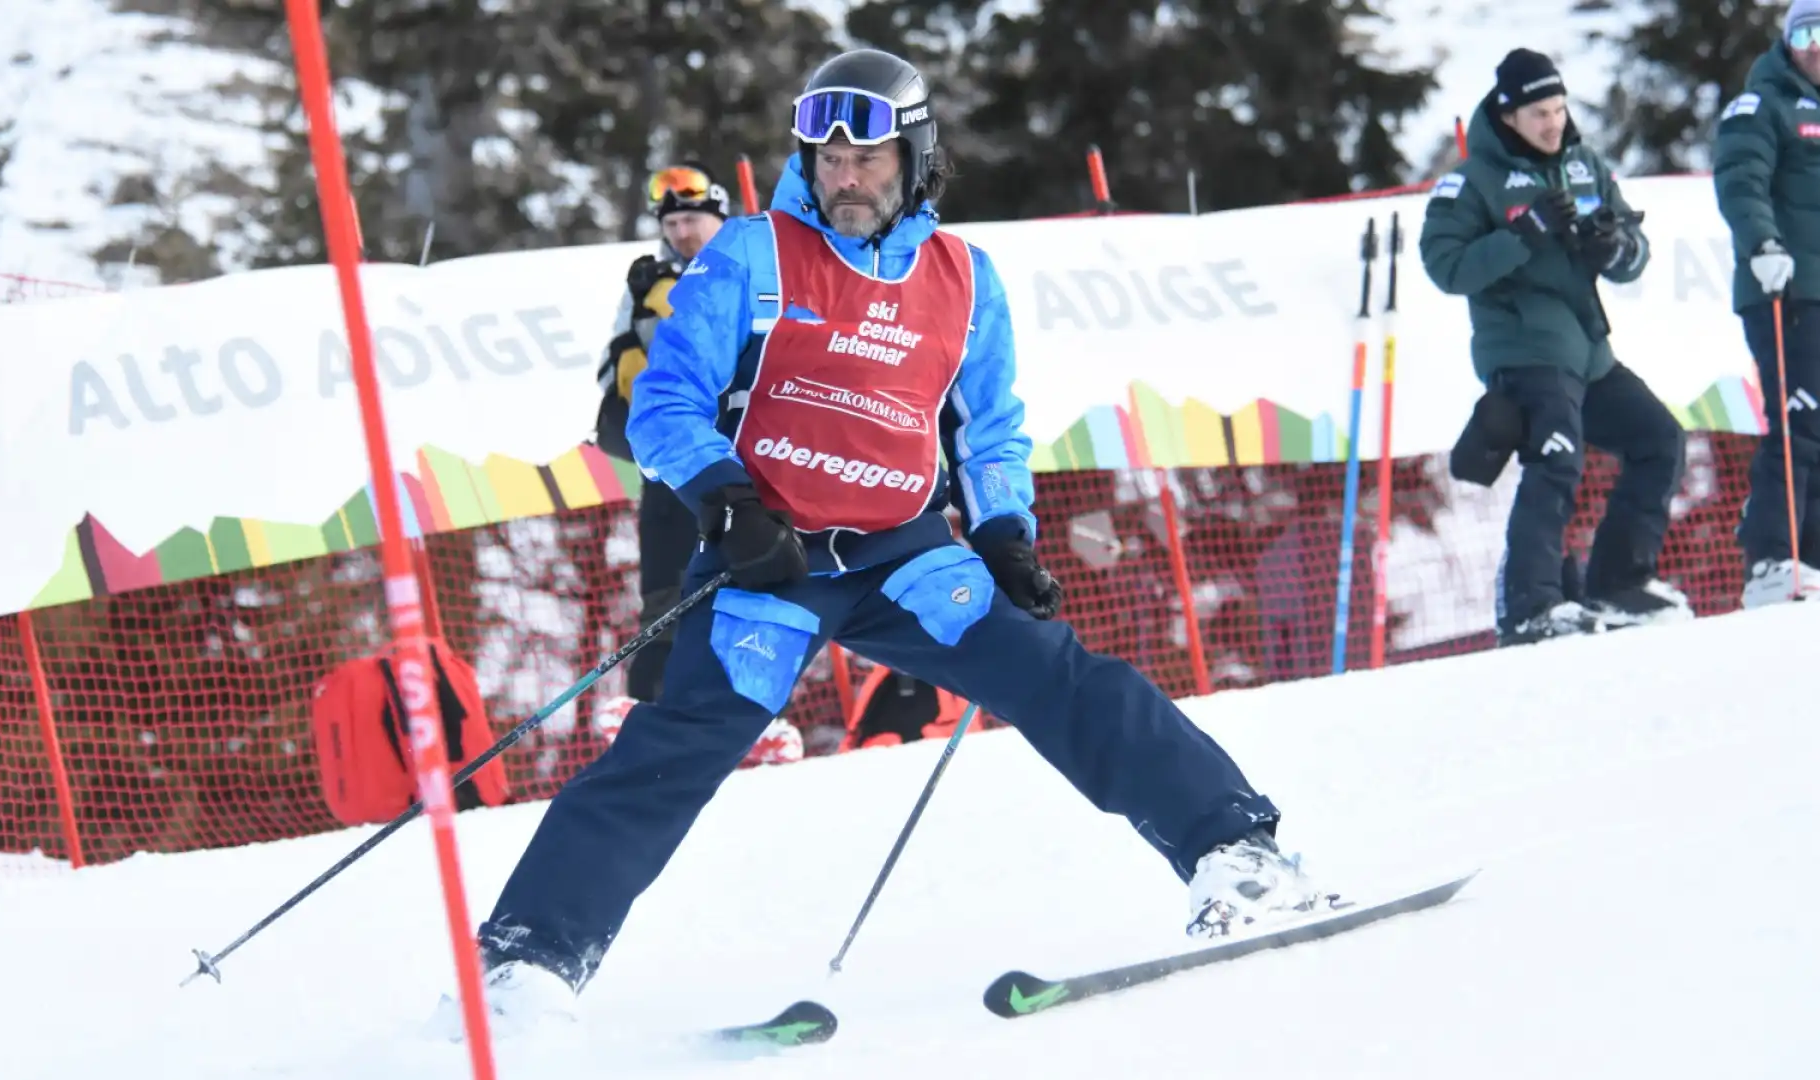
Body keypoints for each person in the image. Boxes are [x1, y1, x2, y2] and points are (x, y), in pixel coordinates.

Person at [445, 48, 1319, 1035]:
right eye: (826, 157)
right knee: (671, 750)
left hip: (905, 556)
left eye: (866, 157)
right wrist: (727, 500)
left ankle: (1237, 855)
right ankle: (521, 967)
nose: (844, 176)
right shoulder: (752, 254)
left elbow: (989, 429)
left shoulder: (961, 277)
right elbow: (664, 405)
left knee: (1059, 678)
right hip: (770, 562)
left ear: (915, 156)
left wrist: (1003, 532)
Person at [1420, 48, 1692, 646]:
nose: (1553, 123)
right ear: (1508, 115)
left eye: (1560, 109)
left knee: (1658, 440)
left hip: (1588, 351)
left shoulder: (1583, 164)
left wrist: (1613, 248)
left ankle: (1619, 583)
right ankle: (1531, 607)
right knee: (1558, 461)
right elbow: (1445, 266)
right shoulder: (1471, 182)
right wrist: (1521, 236)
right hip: (1523, 349)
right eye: (1539, 112)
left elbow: (1634, 244)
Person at [593, 164, 732, 701]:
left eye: (693, 218)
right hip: (671, 457)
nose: (682, 232)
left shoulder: (751, 267)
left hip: (743, 452)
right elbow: (610, 366)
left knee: (752, 575)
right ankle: (650, 699)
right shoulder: (647, 282)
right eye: (672, 223)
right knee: (667, 588)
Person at [1712, 0, 1820, 606]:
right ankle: (1771, 559)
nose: (1815, 46)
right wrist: (1763, 241)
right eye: (1804, 33)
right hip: (1787, 286)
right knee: (1800, 419)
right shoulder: (1763, 105)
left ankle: (1816, 561)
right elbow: (1739, 176)